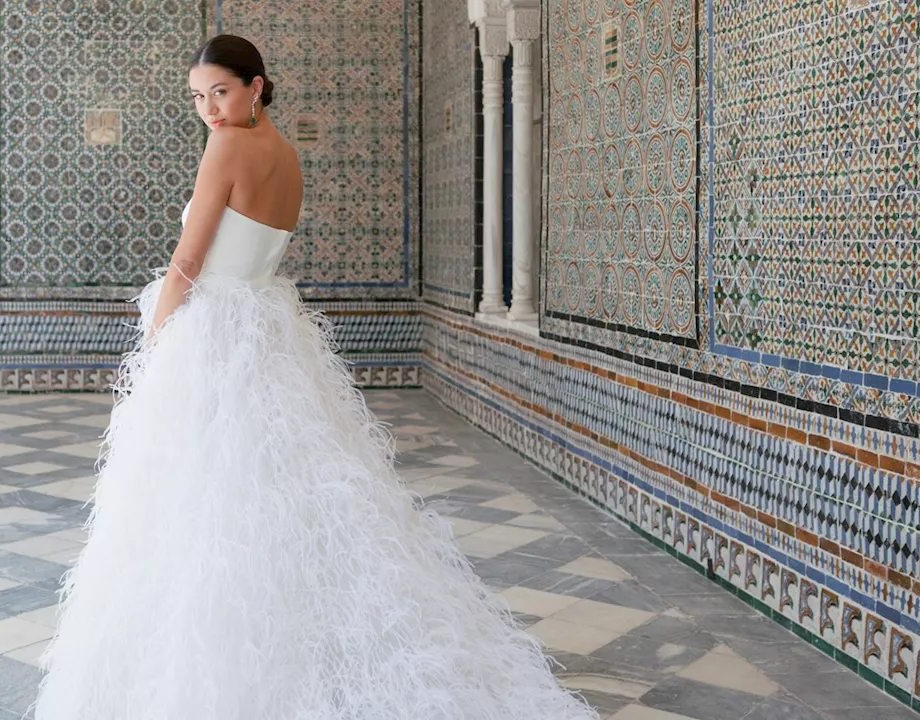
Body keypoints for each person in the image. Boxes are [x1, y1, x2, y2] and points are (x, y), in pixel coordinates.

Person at [34, 34, 596, 720]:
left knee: (205, 496)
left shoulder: (228, 148)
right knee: (270, 491)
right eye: (197, 97)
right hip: (266, 331)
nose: (209, 109)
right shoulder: (284, 154)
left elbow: (188, 260)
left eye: (220, 91)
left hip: (212, 335)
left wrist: (154, 349)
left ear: (257, 86)